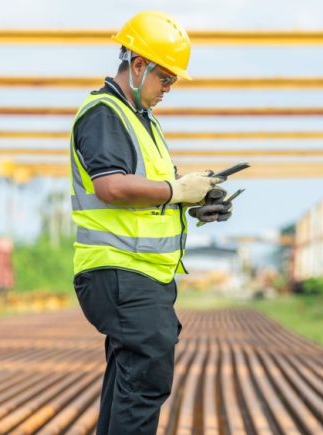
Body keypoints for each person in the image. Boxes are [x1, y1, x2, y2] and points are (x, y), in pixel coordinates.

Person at [69, 10, 233, 435]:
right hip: (121, 272)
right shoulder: (105, 114)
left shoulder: (143, 121)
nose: (168, 89)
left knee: (128, 383)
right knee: (145, 380)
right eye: (165, 78)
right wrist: (178, 191)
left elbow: (147, 195)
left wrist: (192, 204)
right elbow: (111, 187)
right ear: (138, 65)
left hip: (138, 276)